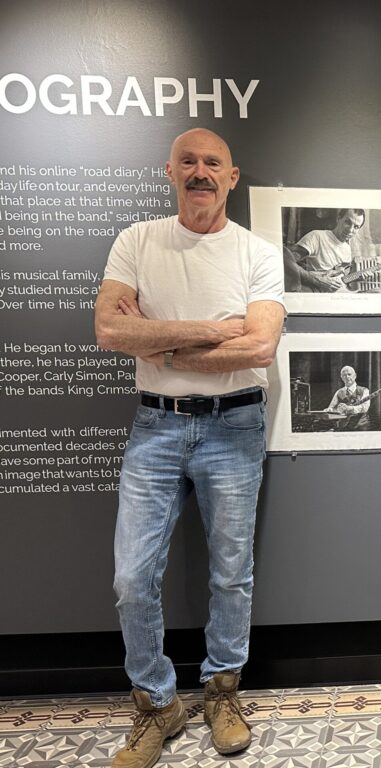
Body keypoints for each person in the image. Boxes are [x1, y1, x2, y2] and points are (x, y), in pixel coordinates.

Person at [94, 128, 286, 768]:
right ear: (169, 171)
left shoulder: (256, 253)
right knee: (130, 577)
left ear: (232, 177)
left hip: (235, 425)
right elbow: (109, 330)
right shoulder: (136, 241)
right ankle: (157, 703)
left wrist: (161, 344)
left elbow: (259, 347)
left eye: (213, 163)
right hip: (156, 425)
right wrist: (208, 331)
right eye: (189, 162)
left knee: (231, 569)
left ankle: (223, 689)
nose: (200, 172)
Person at [283, 208, 381, 292]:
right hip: (315, 295)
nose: (350, 230)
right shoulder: (317, 236)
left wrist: (357, 278)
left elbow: (342, 281)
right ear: (339, 218)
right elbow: (285, 259)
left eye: (356, 227)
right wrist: (316, 280)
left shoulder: (347, 248)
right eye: (347, 222)